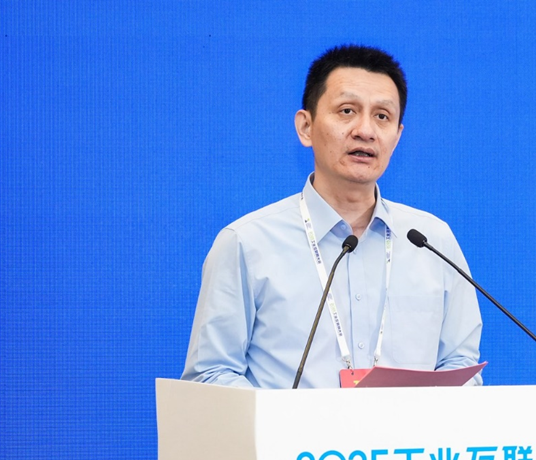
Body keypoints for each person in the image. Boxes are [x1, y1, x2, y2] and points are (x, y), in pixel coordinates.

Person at [182, 45, 482, 389]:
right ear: (306, 127)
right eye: (347, 111)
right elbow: (211, 375)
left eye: (382, 116)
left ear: (397, 136)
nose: (365, 130)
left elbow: (461, 365)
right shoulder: (247, 244)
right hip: (291, 427)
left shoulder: (432, 242)